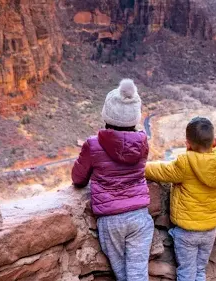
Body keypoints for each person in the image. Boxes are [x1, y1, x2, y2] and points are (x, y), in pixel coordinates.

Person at [72, 79, 153, 281]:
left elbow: (78, 179)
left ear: (107, 114)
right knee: (138, 275)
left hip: (111, 220)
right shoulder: (142, 143)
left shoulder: (93, 145)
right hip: (140, 216)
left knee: (122, 275)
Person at [145, 117, 216, 281]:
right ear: (215, 142)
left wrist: (141, 167)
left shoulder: (184, 163)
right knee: (200, 270)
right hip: (210, 229)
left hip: (187, 231)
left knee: (186, 272)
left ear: (188, 144)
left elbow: (161, 171)